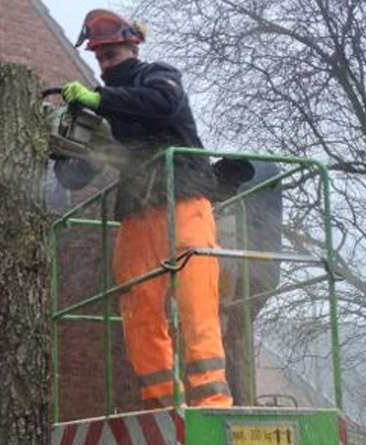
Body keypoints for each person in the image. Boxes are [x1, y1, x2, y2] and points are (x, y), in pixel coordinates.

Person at [55, 9, 233, 408]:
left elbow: (164, 103)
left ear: (132, 47)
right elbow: (77, 176)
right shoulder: (105, 111)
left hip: (183, 198)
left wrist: (100, 99)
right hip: (136, 212)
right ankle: (165, 402)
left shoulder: (156, 76)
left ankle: (211, 404)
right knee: (137, 309)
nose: (105, 64)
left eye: (112, 54)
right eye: (99, 58)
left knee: (196, 301)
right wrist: (64, 151)